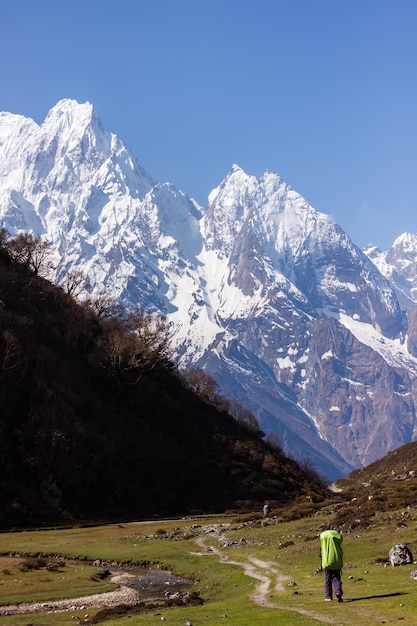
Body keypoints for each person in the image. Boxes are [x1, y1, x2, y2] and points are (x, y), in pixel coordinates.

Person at [319, 528, 343, 602]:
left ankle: (328, 596)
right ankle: (338, 591)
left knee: (328, 579)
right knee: (336, 578)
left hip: (327, 561)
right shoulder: (337, 539)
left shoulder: (324, 541)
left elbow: (321, 552)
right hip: (337, 560)